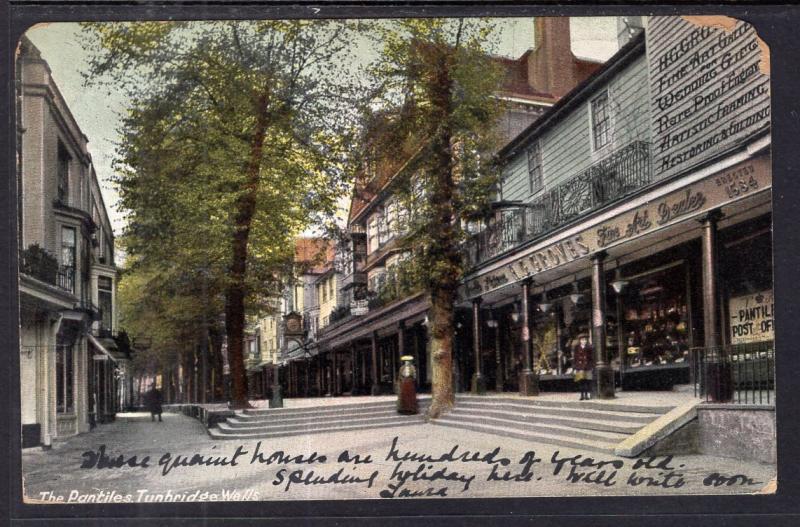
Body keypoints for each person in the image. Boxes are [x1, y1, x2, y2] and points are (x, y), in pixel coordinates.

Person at [572, 334, 594, 401]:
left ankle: (586, 395)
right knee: (580, 381)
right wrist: (575, 368)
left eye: (584, 340)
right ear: (580, 340)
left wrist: (591, 366)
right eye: (582, 340)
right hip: (579, 367)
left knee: (587, 381)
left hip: (587, 367)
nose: (583, 341)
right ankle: (581, 395)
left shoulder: (589, 347)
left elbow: (591, 358)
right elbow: (575, 358)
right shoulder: (576, 347)